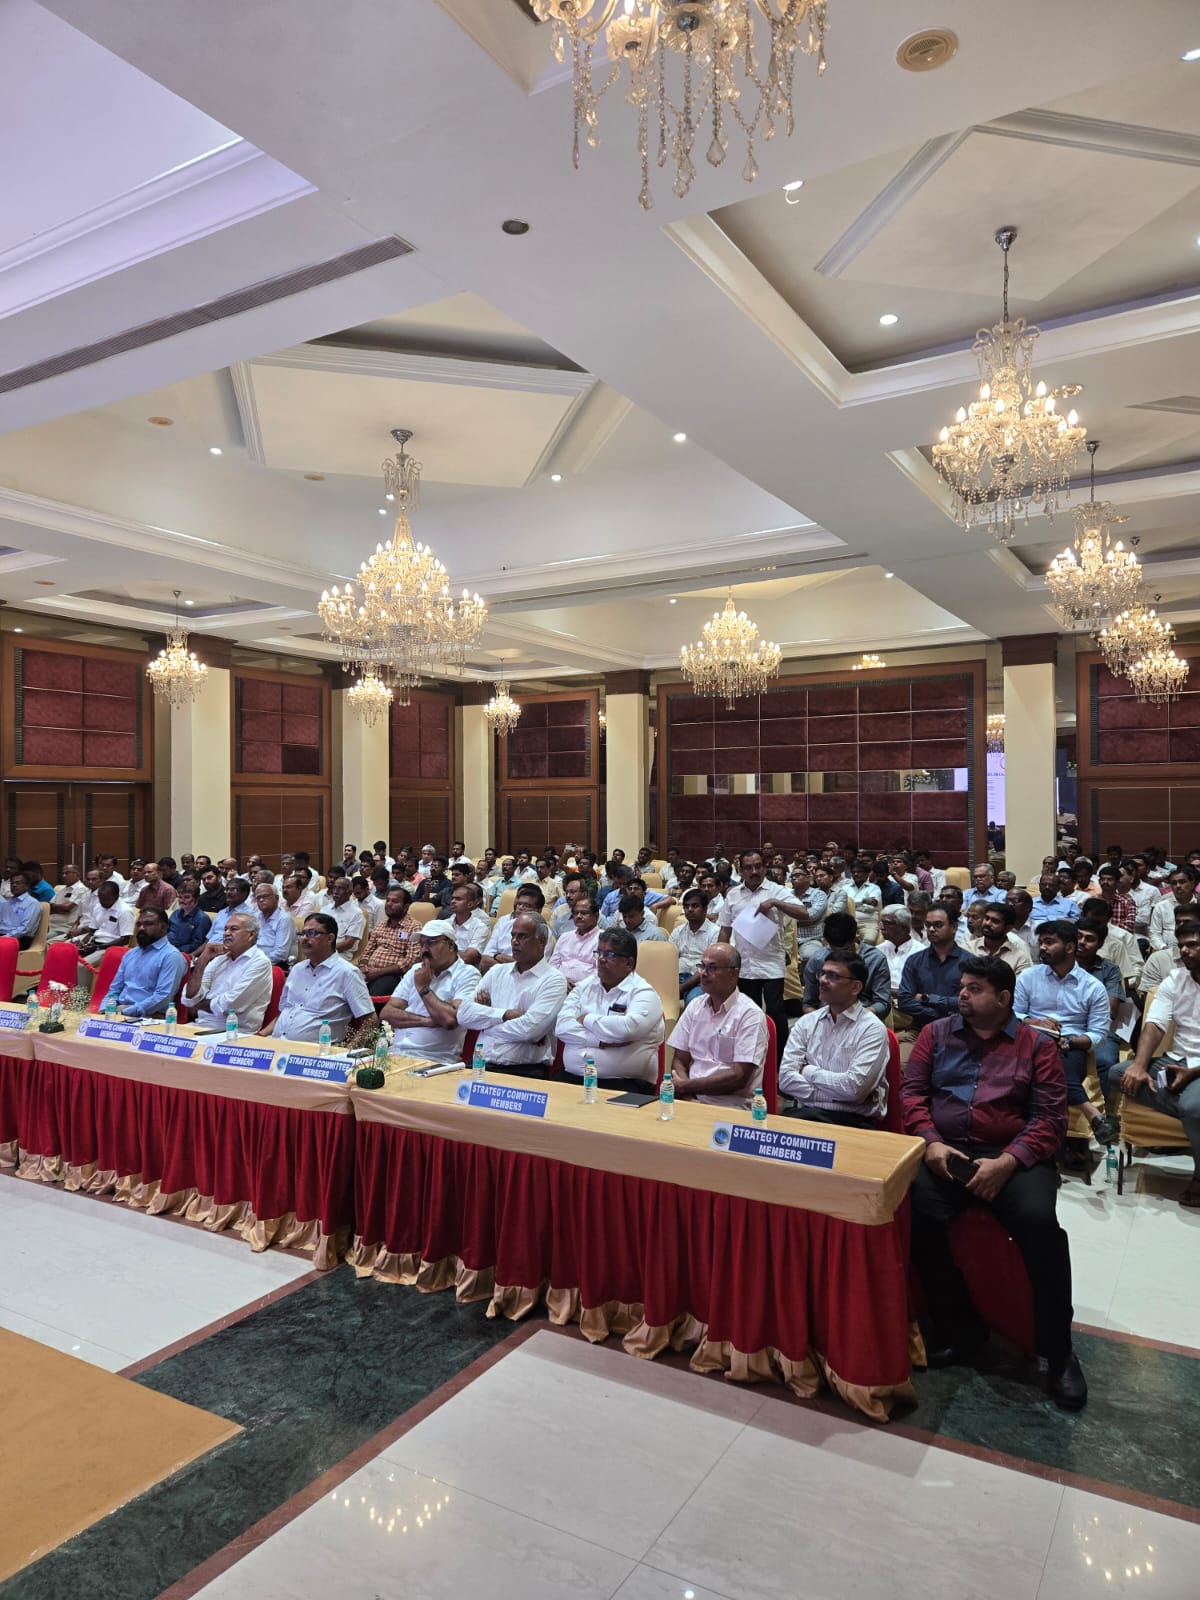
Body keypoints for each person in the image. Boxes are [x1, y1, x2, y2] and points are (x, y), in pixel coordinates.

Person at [902, 954, 1085, 1410]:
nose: (962, 995)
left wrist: (1007, 1163)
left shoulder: (1037, 1046)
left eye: (974, 989)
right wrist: (930, 1142)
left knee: (1040, 1226)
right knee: (916, 1216)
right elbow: (912, 1095)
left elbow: (1050, 1120)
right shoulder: (935, 1034)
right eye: (962, 987)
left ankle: (1058, 1353)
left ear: (1004, 998)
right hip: (946, 1151)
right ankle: (961, 1330)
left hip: (1014, 1157)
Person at [1014, 920, 1117, 1148]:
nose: (1042, 947)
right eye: (1041, 942)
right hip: (1030, 1040)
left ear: (1070, 947)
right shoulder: (1028, 977)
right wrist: (1034, 1022)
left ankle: (1038, 1144)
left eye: (1049, 942)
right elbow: (1013, 1014)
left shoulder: (1093, 987)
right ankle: (1091, 1114)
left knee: (1052, 1067)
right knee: (1046, 1063)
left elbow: (1098, 1034)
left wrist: (1070, 1041)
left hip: (1070, 1048)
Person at [1121, 923, 1200, 1208]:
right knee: (1120, 1074)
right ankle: (1188, 1105)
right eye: (1182, 945)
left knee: (1193, 1107)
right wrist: (1140, 1066)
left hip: (1197, 1067)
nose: (1185, 951)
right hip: (1177, 1060)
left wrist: (1192, 1073)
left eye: (1193, 944)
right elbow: (1154, 1025)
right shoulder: (1176, 979)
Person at [777, 949, 890, 1127]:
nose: (822, 980)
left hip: (852, 1123)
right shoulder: (807, 1022)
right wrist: (841, 1097)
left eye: (833, 976)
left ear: (855, 987)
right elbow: (785, 1080)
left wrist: (806, 1070)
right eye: (822, 973)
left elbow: (854, 1090)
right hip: (806, 1116)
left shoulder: (872, 1029)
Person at [717, 848, 806, 1051]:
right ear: (741, 871)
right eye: (748, 868)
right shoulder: (733, 895)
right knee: (749, 1013)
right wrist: (721, 961)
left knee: (775, 1012)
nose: (754, 871)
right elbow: (724, 929)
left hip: (771, 962)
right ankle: (753, 1054)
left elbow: (803, 912)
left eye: (758, 866)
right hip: (744, 964)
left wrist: (775, 903)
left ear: (765, 868)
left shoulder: (776, 890)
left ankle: (780, 1057)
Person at [555, 927, 665, 1091]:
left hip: (624, 1084)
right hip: (572, 1078)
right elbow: (561, 1027)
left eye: (610, 954)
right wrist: (599, 1041)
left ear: (629, 963)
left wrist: (585, 1019)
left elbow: (626, 1030)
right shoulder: (583, 987)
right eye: (598, 953)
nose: (601, 959)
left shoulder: (644, 994)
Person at [456, 914, 567, 1076]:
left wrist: (485, 1025)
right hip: (481, 1065)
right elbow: (463, 1014)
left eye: (522, 936)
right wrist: (505, 1014)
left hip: (524, 1070)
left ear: (541, 941)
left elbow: (529, 1031)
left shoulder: (554, 980)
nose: (514, 941)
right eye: (513, 936)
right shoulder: (496, 971)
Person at [667, 942, 768, 1110]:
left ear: (733, 973)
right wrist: (688, 1097)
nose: (703, 973)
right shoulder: (695, 1006)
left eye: (712, 968)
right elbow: (679, 1059)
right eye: (702, 966)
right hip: (690, 1100)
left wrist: (685, 1086)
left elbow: (739, 1077)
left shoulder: (750, 1015)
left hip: (730, 1106)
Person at [381, 919, 482, 1064]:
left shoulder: (468, 974)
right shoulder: (416, 970)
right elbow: (386, 1014)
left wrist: (423, 989)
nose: (424, 950)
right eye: (421, 944)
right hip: (395, 1053)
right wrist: (427, 1021)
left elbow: (450, 1020)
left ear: (450, 945)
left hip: (435, 1059)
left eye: (431, 942)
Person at [270, 913, 373, 1043]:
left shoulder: (347, 973)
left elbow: (370, 1021)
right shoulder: (297, 969)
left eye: (312, 933)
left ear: (330, 938)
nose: (304, 938)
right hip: (277, 1043)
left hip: (316, 1051)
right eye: (303, 934)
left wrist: (348, 1052)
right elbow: (282, 1013)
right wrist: (260, 1036)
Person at [185, 911, 275, 1032]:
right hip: (200, 1024)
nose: (226, 933)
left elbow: (230, 1005)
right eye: (225, 929)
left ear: (251, 935)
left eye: (234, 929)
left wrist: (197, 1004)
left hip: (234, 1031)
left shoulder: (259, 962)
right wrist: (203, 959)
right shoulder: (219, 959)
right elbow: (189, 996)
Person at [801, 911, 891, 1019]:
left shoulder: (875, 958)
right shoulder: (818, 959)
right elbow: (809, 1003)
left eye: (845, 949)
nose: (839, 955)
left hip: (863, 1016)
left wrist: (852, 1018)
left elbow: (882, 1003)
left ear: (855, 937)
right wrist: (817, 1020)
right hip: (825, 1017)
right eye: (833, 950)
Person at [897, 904, 972, 1035]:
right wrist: (939, 1014)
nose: (931, 929)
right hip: (920, 1030)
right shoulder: (914, 960)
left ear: (954, 927)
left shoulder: (970, 962)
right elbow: (904, 1001)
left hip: (960, 1030)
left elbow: (969, 1002)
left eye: (938, 925)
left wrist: (927, 998)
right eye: (928, 925)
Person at [1074, 918, 1125, 1105]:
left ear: (1100, 944)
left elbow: (1110, 1011)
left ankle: (1101, 1108)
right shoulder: (1058, 963)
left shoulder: (1109, 970)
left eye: (1089, 939)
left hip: (1099, 1027)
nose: (1082, 942)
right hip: (1061, 1025)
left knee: (1106, 1062)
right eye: (1078, 936)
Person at [106, 907, 188, 1019]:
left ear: (163, 927)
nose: (141, 928)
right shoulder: (131, 954)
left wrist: (125, 1013)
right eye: (138, 924)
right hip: (120, 1010)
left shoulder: (171, 956)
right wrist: (105, 1010)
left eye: (148, 924)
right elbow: (114, 989)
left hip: (149, 1015)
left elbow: (163, 997)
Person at [70, 879, 135, 968]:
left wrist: (98, 947)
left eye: (106, 899)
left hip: (112, 947)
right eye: (100, 898)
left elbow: (125, 939)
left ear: (116, 896)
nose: (102, 902)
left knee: (82, 965)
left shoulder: (125, 911)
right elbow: (92, 930)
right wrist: (83, 943)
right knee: (69, 953)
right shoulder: (98, 906)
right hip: (95, 941)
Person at [670, 888, 718, 1003]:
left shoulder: (715, 932)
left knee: (694, 1000)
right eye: (686, 906)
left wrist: (683, 987)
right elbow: (668, 959)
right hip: (676, 978)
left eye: (695, 906)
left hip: (701, 980)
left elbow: (708, 967)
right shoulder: (678, 931)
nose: (690, 910)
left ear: (705, 909)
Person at [549, 895, 603, 988]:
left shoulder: (603, 940)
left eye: (584, 913)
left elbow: (600, 972)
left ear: (596, 916)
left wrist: (577, 986)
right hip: (559, 986)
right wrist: (562, 982)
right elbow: (553, 965)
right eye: (575, 913)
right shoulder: (565, 937)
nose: (578, 916)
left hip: (589, 989)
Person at [965, 900, 1031, 974]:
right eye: (986, 918)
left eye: (995, 921)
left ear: (1008, 928)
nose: (988, 923)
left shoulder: (1019, 958)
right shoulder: (968, 948)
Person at [1149, 865, 1200, 952]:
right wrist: (1164, 949)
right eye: (1174, 883)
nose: (1178, 886)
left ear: (1192, 884)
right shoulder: (1161, 906)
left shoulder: (1198, 904)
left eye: (1182, 882)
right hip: (1165, 950)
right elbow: (1154, 934)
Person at [253, 881, 299, 966]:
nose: (261, 900)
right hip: (255, 960)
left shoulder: (284, 919)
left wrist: (258, 963)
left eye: (265, 896)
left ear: (276, 898)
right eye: (258, 898)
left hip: (276, 964)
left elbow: (281, 953)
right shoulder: (255, 916)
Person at [447, 883, 491, 966]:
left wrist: (441, 954)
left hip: (465, 969)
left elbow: (468, 958)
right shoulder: (446, 923)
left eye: (458, 899)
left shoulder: (479, 927)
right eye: (452, 898)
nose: (453, 901)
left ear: (470, 904)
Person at [47, 863, 88, 944]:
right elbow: (49, 907)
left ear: (77, 874)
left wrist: (60, 908)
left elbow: (67, 908)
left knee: (44, 940)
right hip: (50, 925)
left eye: (67, 873)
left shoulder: (81, 889)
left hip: (64, 928)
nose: (64, 876)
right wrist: (61, 909)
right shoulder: (61, 889)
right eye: (63, 873)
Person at [0, 871, 43, 948]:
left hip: (20, 939)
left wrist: (5, 938)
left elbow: (25, 929)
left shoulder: (32, 903)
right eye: (12, 883)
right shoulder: (7, 902)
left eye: (18, 883)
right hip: (4, 936)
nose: (14, 885)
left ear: (27, 885)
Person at [167, 886, 212, 956]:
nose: (182, 900)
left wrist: (174, 950)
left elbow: (196, 944)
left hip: (180, 952)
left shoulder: (202, 919)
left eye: (187, 897)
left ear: (196, 899)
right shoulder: (175, 913)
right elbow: (165, 932)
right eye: (180, 897)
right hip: (166, 947)